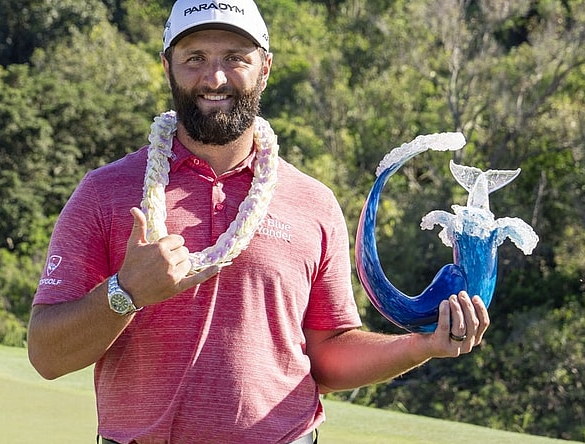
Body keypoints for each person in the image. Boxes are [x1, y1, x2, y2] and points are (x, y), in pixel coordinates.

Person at [27, 1, 490, 443]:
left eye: (235, 58)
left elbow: (326, 355)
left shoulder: (313, 202)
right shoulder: (105, 193)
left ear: (264, 68)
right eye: (194, 58)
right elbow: (47, 355)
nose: (215, 77)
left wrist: (421, 345)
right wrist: (125, 293)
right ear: (166, 67)